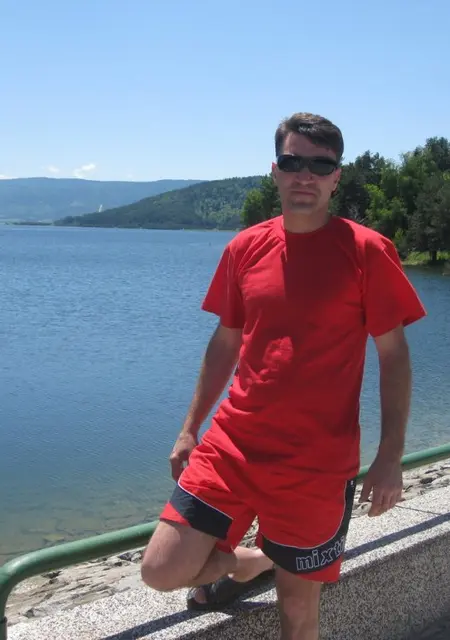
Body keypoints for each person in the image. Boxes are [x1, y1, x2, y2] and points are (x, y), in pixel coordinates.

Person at [141, 112, 426, 640]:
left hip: (316, 463)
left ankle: (263, 562)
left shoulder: (367, 251)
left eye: (320, 165)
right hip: (233, 446)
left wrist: (390, 457)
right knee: (161, 569)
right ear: (274, 170)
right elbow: (225, 342)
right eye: (292, 162)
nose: (305, 176)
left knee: (297, 611)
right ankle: (248, 561)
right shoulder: (245, 248)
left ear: (337, 177)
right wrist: (189, 427)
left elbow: (395, 358)